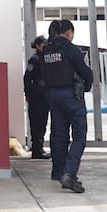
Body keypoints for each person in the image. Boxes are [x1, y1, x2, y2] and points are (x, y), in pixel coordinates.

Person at [40, 19, 93, 193]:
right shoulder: (71, 49)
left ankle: (58, 171)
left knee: (59, 136)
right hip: (70, 95)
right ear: (69, 31)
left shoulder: (46, 50)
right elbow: (85, 72)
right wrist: (87, 86)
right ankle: (69, 174)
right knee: (79, 136)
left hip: (53, 95)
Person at [23, 35, 50, 159]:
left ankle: (38, 148)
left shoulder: (45, 58)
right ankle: (37, 149)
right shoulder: (35, 59)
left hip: (43, 95)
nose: (45, 46)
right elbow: (27, 78)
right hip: (36, 96)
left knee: (42, 122)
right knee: (37, 122)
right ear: (38, 45)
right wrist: (28, 94)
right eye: (43, 44)